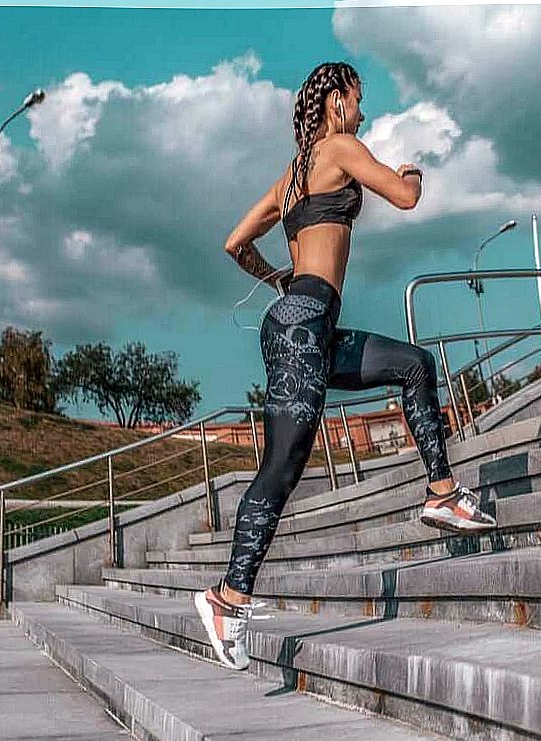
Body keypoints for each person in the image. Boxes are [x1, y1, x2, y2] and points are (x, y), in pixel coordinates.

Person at [194, 61, 496, 671]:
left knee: (413, 365)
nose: (363, 111)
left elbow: (235, 242)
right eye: (358, 99)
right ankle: (227, 597)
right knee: (284, 465)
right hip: (305, 325)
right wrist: (412, 171)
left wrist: (279, 278)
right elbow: (406, 197)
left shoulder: (293, 175)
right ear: (335, 101)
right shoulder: (337, 146)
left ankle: (441, 492)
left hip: (309, 323)